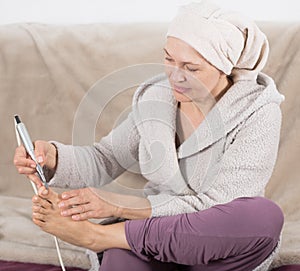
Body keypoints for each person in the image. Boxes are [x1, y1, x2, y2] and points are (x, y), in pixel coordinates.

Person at [13, 1, 285, 270]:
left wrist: (119, 207)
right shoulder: (156, 99)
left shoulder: (258, 112)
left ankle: (101, 237)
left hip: (216, 248)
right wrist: (54, 158)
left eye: (191, 68)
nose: (175, 76)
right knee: (122, 257)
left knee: (263, 216)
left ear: (225, 67)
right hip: (152, 239)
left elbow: (216, 208)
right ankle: (117, 240)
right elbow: (105, 158)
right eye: (169, 59)